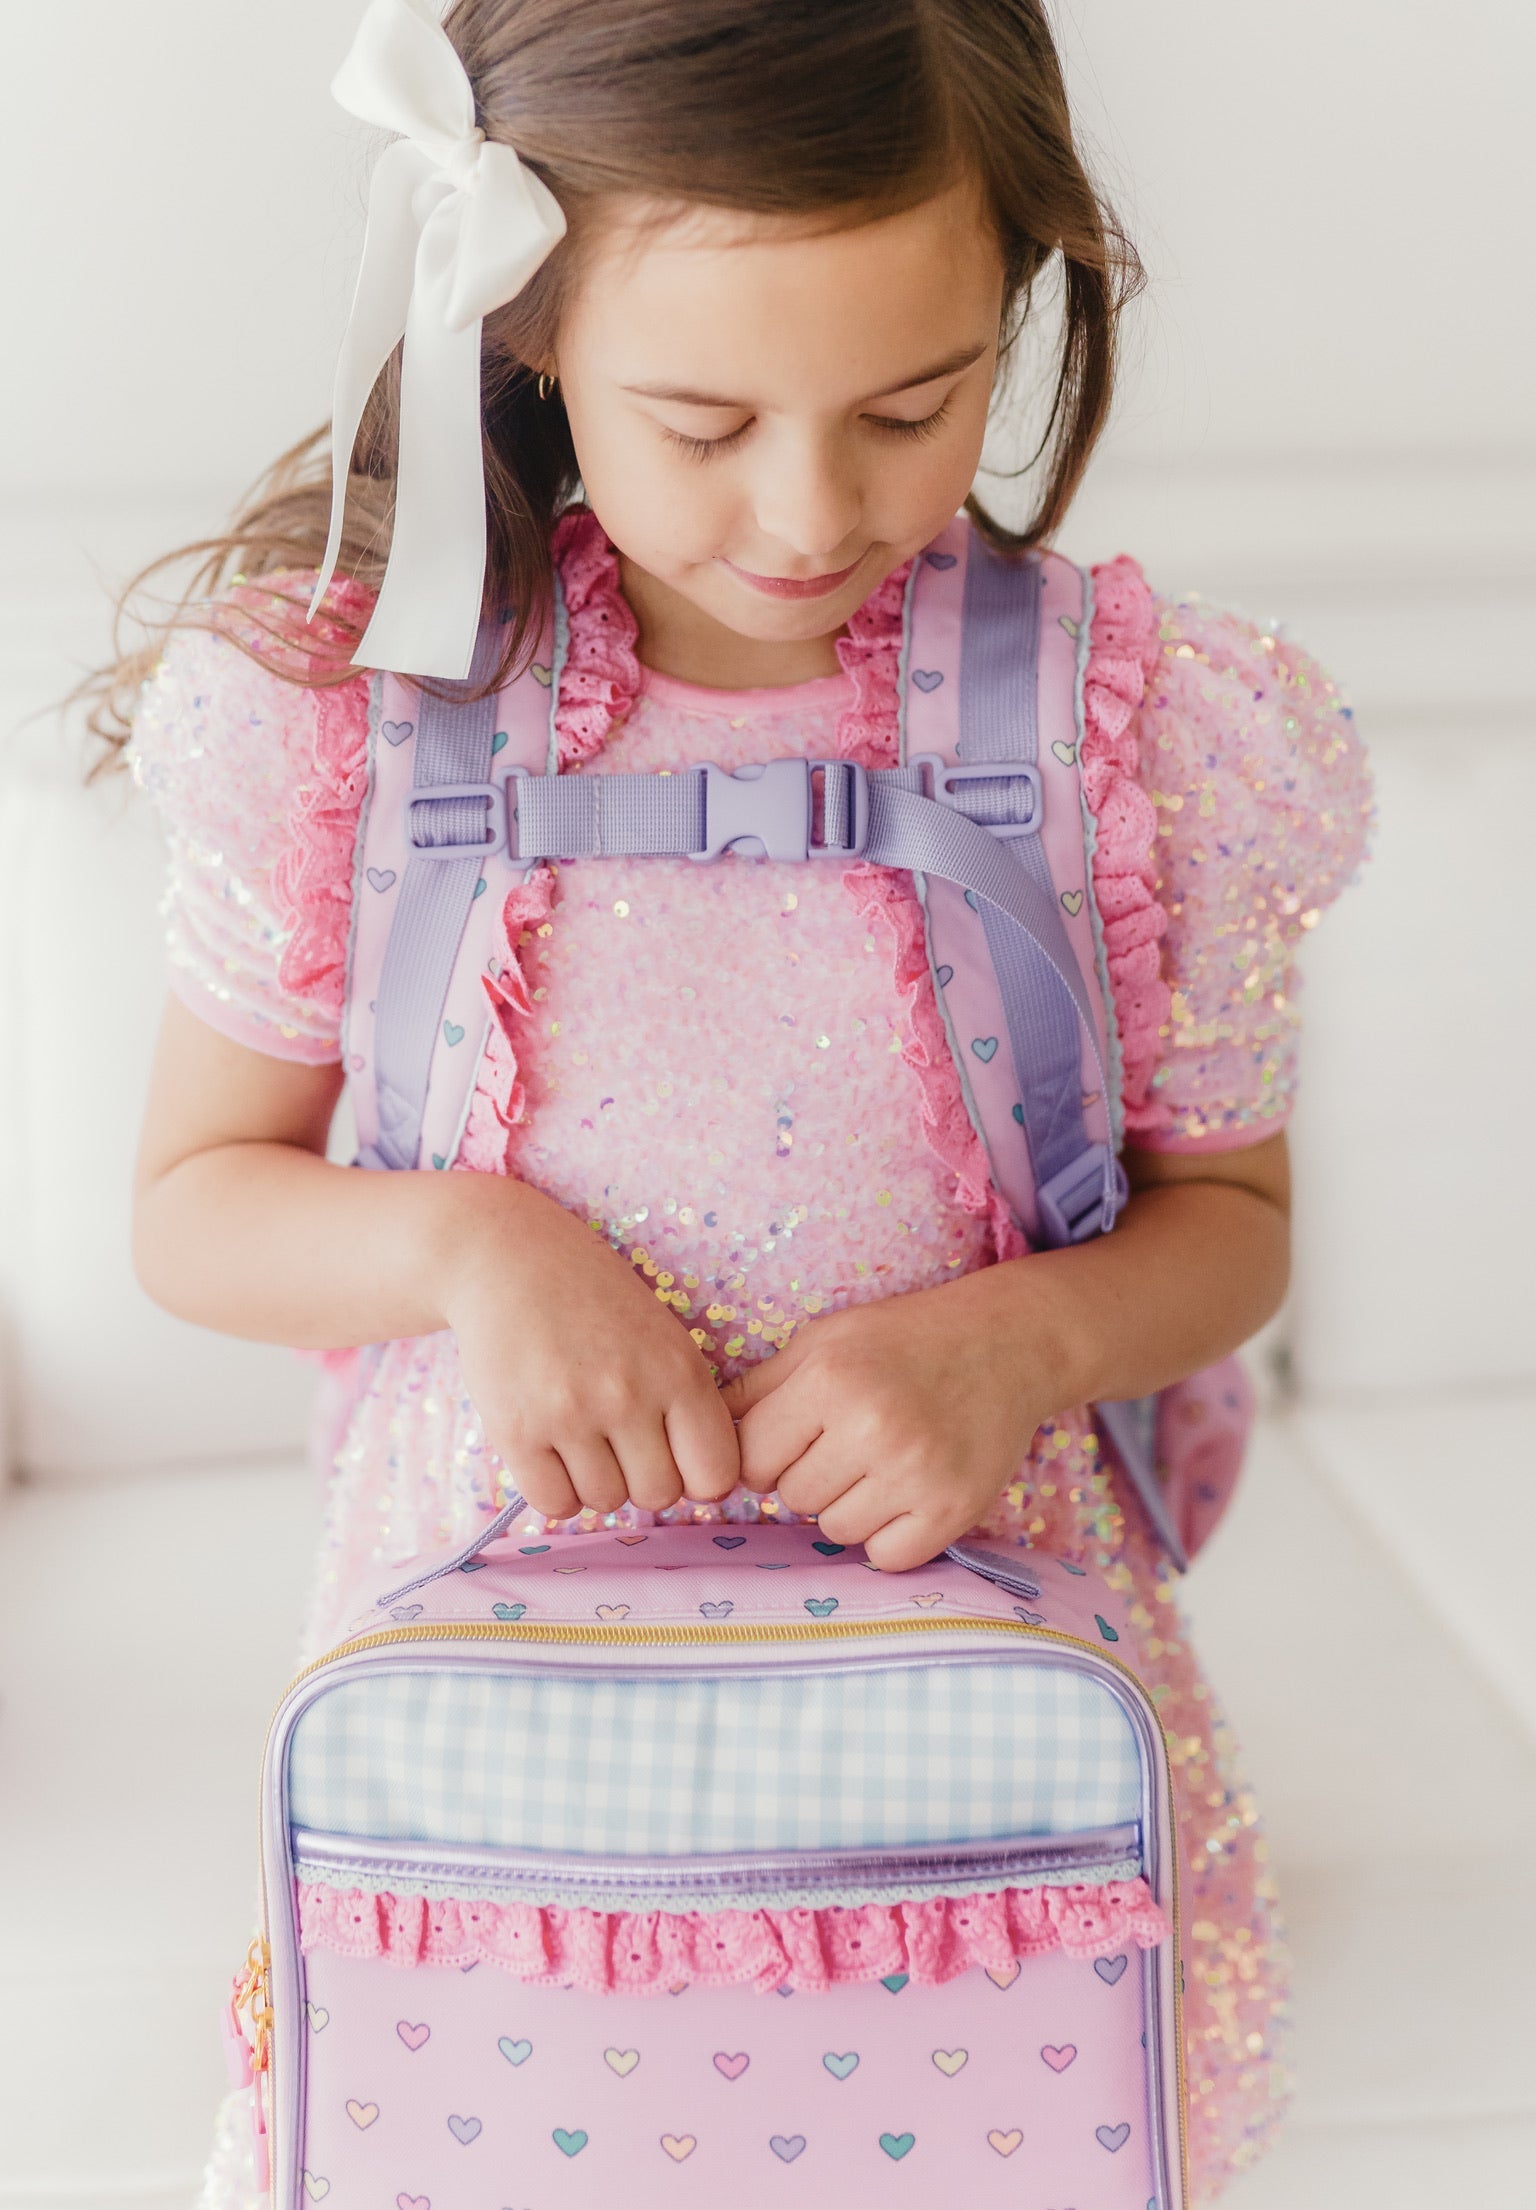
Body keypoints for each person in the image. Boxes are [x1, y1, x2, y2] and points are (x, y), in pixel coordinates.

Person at [97, 1, 1371, 2199]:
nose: (811, 511)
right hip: (500, 1777)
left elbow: (1233, 1225)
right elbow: (196, 1205)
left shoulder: (1138, 736)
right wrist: (466, 1241)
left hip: (978, 1767)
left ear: (1024, 304)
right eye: (701, 418)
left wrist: (1026, 1338)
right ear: (528, 329)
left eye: (913, 403)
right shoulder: (361, 726)